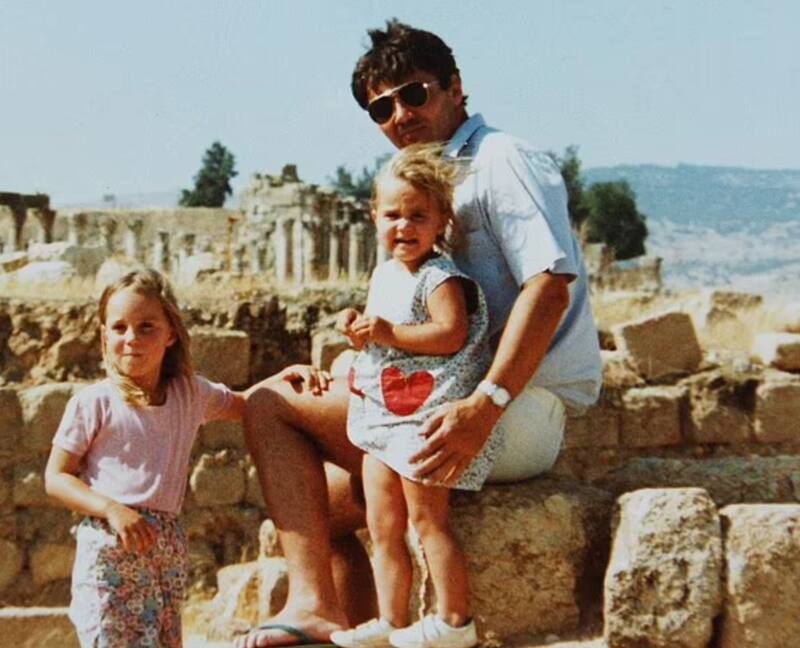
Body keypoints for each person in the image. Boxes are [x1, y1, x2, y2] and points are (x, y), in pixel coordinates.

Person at [236, 19, 601, 648]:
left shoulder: (501, 161)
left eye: (413, 94)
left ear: (455, 87)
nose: (400, 115)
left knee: (268, 405)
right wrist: (345, 368)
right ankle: (360, 626)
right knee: (319, 504)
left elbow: (549, 287)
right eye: (381, 108)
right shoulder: (418, 181)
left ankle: (311, 606)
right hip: (444, 396)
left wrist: (487, 404)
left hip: (514, 407)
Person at [43, 268, 315, 647]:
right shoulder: (93, 403)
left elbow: (248, 404)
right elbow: (56, 477)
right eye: (119, 328)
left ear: (170, 333)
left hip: (166, 548)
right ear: (104, 335)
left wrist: (286, 378)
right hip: (111, 547)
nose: (131, 338)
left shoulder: (189, 395)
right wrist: (111, 509)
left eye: (146, 327)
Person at [329, 144, 496, 648]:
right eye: (393, 215)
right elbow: (379, 335)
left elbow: (450, 333)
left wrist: (388, 332)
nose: (404, 227)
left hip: (425, 416)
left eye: (418, 216)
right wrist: (358, 328)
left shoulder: (440, 278)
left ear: (442, 220)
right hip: (384, 415)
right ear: (374, 217)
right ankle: (392, 618)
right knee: (382, 524)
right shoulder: (384, 274)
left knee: (427, 520)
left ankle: (455, 620)